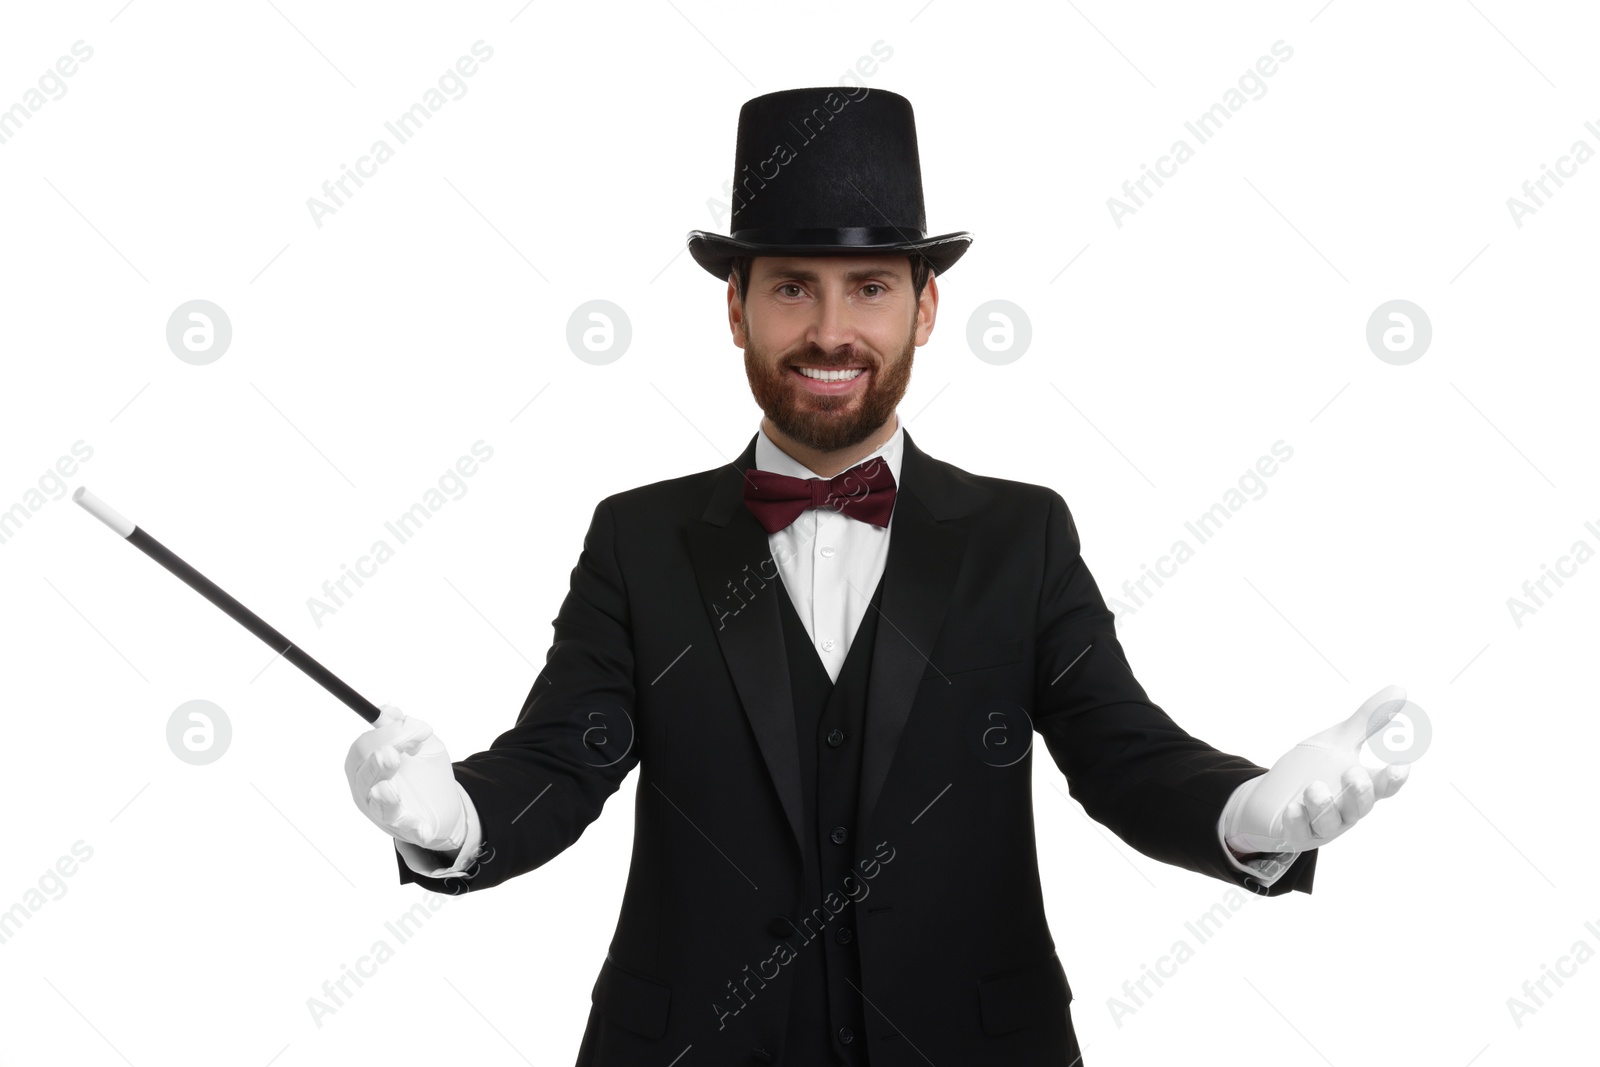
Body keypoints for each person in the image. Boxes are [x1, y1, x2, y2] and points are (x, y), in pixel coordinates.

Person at [343, 87, 1411, 1066]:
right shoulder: (639, 538)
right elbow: (562, 760)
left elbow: (1120, 753)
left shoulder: (1020, 535)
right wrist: (456, 819)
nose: (829, 330)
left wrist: (1244, 809)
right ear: (735, 309)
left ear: (926, 307)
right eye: (792, 288)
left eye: (867, 287)